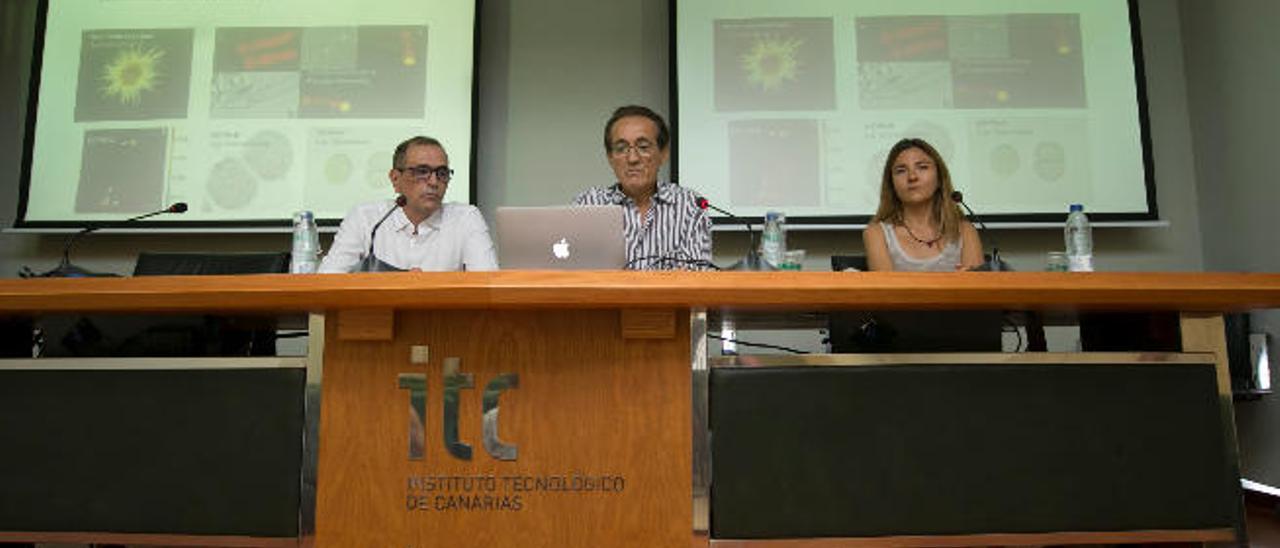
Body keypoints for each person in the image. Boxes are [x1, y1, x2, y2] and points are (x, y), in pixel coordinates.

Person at [319, 136, 497, 273]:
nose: (434, 182)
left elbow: (487, 283)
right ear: (395, 179)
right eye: (422, 172)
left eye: (442, 173)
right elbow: (328, 279)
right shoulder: (366, 218)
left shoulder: (465, 218)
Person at [573, 105, 713, 270]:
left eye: (643, 147)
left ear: (663, 153)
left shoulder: (690, 205)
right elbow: (578, 271)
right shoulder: (588, 204)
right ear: (610, 158)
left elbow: (696, 278)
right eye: (621, 149)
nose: (632, 158)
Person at [863, 138, 983, 272]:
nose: (912, 177)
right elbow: (886, 292)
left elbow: (979, 291)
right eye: (901, 170)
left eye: (922, 167)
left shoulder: (965, 231)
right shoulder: (877, 233)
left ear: (939, 179)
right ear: (892, 185)